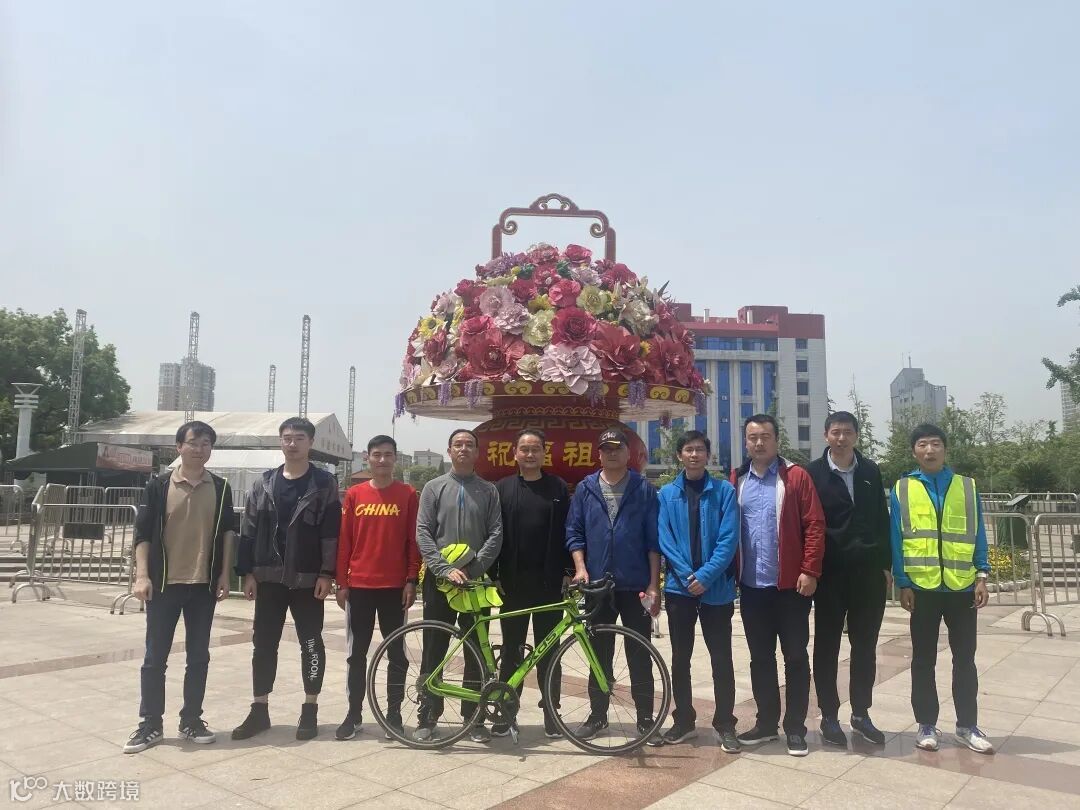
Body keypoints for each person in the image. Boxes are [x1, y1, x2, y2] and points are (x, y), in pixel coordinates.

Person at [123, 421, 235, 754]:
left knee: (198, 657)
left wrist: (225, 575)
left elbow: (228, 533)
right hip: (164, 585)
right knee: (154, 657)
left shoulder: (221, 487)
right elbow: (143, 534)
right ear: (179, 447)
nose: (199, 449)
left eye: (206, 443)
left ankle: (191, 720)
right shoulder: (158, 485)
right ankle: (150, 724)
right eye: (193, 442)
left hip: (203, 586)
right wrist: (142, 575)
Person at [232, 417, 341, 741]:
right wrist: (247, 572)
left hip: (307, 579)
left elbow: (331, 532)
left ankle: (310, 708)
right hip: (268, 578)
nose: (292, 444)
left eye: (299, 438)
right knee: (263, 644)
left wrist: (327, 573)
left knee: (311, 643)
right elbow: (248, 529)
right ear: (280, 441)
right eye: (287, 438)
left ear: (311, 443)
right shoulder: (264, 483)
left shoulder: (323, 483)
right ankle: (259, 709)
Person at [891, 423, 994, 754]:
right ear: (914, 451)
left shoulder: (966, 486)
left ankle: (967, 726)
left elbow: (977, 532)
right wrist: (903, 583)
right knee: (923, 659)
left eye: (936, 443)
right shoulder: (903, 488)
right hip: (922, 588)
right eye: (923, 444)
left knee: (965, 659)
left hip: (962, 587)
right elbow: (897, 539)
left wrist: (982, 575)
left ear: (945, 449)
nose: (930, 450)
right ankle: (926, 724)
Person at [732, 414, 824, 757]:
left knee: (796, 657)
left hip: (790, 587)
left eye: (765, 436)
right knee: (760, 659)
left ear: (776, 440)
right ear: (746, 442)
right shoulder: (737, 479)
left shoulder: (796, 476)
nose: (759, 443)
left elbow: (814, 525)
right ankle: (767, 724)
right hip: (752, 587)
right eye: (752, 437)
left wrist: (809, 570)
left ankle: (796, 728)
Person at [566, 427, 662, 745]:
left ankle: (645, 718)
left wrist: (654, 585)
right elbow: (575, 532)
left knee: (639, 653)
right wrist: (581, 568)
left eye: (617, 448)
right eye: (606, 449)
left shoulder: (643, 489)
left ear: (627, 453)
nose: (611, 453)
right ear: (599, 454)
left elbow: (653, 541)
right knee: (599, 653)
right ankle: (597, 715)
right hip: (597, 586)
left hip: (635, 585)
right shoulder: (586, 488)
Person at [805, 411, 891, 747]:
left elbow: (881, 519)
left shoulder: (870, 470)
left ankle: (861, 713)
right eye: (836, 432)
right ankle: (829, 714)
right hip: (830, 573)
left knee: (865, 645)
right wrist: (809, 569)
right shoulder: (812, 473)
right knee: (827, 646)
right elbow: (807, 523)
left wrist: (885, 565)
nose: (842, 438)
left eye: (848, 432)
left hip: (867, 573)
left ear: (856, 435)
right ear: (826, 435)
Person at [414, 428, 503, 743]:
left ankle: (474, 718)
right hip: (440, 582)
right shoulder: (433, 487)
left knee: (476, 649)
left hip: (475, 582)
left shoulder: (489, 491)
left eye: (469, 445)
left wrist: (473, 569)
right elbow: (423, 532)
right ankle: (428, 715)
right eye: (458, 444)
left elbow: (496, 534)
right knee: (434, 647)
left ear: (477, 452)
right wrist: (444, 568)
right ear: (449, 450)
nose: (463, 449)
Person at [657, 430, 741, 752]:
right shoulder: (667, 494)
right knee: (681, 658)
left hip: (716, 589)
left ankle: (725, 723)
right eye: (688, 450)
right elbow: (665, 538)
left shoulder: (724, 492)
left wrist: (705, 576)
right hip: (679, 590)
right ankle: (684, 721)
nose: (694, 455)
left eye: (700, 449)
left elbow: (729, 539)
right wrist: (686, 575)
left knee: (721, 658)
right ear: (680, 455)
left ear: (708, 455)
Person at [334, 435, 420, 740]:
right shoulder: (355, 495)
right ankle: (353, 714)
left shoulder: (408, 494)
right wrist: (342, 582)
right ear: (367, 458)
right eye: (376, 455)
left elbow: (413, 541)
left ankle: (393, 715)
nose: (382, 460)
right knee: (356, 654)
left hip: (395, 588)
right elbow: (345, 541)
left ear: (395, 458)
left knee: (396, 653)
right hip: (359, 586)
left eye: (387, 454)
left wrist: (411, 579)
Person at [492, 428, 571, 739]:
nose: (529, 454)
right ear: (515, 453)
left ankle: (552, 712)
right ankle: (506, 713)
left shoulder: (557, 487)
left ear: (544, 453)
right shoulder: (503, 488)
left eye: (535, 448)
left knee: (549, 652)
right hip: (512, 585)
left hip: (549, 585)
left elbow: (568, 531)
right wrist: (495, 575)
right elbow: (494, 535)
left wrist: (567, 570)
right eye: (524, 449)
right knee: (511, 650)